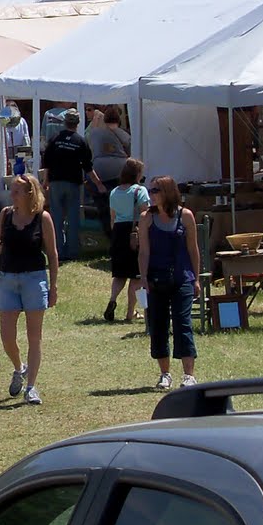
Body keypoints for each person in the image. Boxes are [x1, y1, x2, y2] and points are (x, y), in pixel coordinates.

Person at [0, 173, 59, 406]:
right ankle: (19, 367)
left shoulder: (42, 218)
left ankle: (32, 387)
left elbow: (53, 255)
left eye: (16, 191)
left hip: (34, 279)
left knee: (34, 337)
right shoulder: (5, 216)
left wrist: (53, 287)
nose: (11, 195)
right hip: (7, 279)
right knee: (7, 336)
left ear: (29, 193)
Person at [137, 176, 201, 391]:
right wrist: (143, 277)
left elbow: (193, 249)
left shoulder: (186, 216)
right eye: (151, 190)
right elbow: (144, 251)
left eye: (155, 190)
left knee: (183, 324)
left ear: (167, 192)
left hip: (182, 277)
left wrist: (197, 278)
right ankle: (165, 374)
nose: (151, 194)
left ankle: (189, 375)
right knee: (158, 325)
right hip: (156, 279)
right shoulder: (146, 218)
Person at [41, 108, 104, 261]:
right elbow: (88, 167)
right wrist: (99, 184)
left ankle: (58, 251)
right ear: (77, 123)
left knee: (56, 218)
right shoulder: (80, 141)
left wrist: (45, 181)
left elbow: (46, 162)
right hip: (74, 184)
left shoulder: (55, 139)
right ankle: (72, 251)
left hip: (56, 183)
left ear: (65, 122)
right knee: (73, 218)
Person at [105, 157, 149, 323]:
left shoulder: (114, 192)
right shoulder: (140, 191)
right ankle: (130, 312)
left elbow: (112, 217)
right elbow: (145, 214)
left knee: (119, 274)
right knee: (136, 275)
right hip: (134, 233)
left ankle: (113, 299)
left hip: (118, 232)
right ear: (137, 174)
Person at [87, 106, 132, 228]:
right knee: (120, 204)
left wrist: (97, 116)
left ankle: (108, 229)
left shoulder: (95, 132)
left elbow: (89, 140)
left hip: (99, 171)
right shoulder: (124, 134)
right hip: (119, 171)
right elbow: (130, 150)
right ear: (118, 119)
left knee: (102, 205)